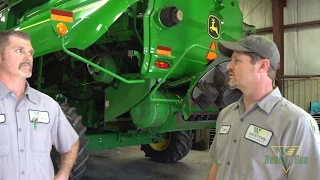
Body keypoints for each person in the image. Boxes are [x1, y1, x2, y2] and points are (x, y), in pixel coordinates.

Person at [208, 35, 320, 180]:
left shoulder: (295, 123)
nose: (229, 66)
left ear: (262, 66)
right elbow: (217, 165)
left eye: (237, 60)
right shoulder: (226, 114)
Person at [0, 30, 79, 180]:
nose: (27, 58)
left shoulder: (47, 105)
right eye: (19, 51)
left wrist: (63, 174)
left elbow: (71, 143)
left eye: (30, 53)